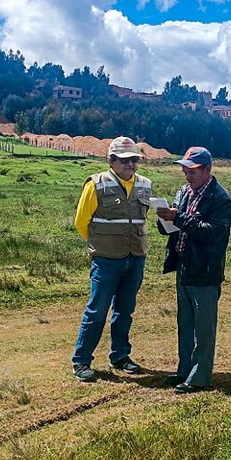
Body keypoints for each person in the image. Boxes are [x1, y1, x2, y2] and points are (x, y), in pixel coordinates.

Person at [71, 136, 152, 382]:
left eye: (134, 160)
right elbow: (81, 222)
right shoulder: (96, 185)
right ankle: (82, 361)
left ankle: (120, 356)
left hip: (135, 257)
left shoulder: (145, 185)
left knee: (125, 311)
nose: (131, 165)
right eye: (125, 160)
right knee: (96, 312)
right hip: (106, 260)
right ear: (111, 160)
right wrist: (101, 245)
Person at [155, 147, 231, 395]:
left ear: (207, 170)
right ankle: (184, 370)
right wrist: (163, 219)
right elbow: (175, 224)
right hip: (184, 266)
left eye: (191, 170)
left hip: (205, 270)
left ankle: (200, 377)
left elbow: (210, 233)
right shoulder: (184, 192)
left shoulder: (220, 199)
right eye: (184, 170)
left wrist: (178, 218)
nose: (186, 175)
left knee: (204, 327)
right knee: (185, 323)